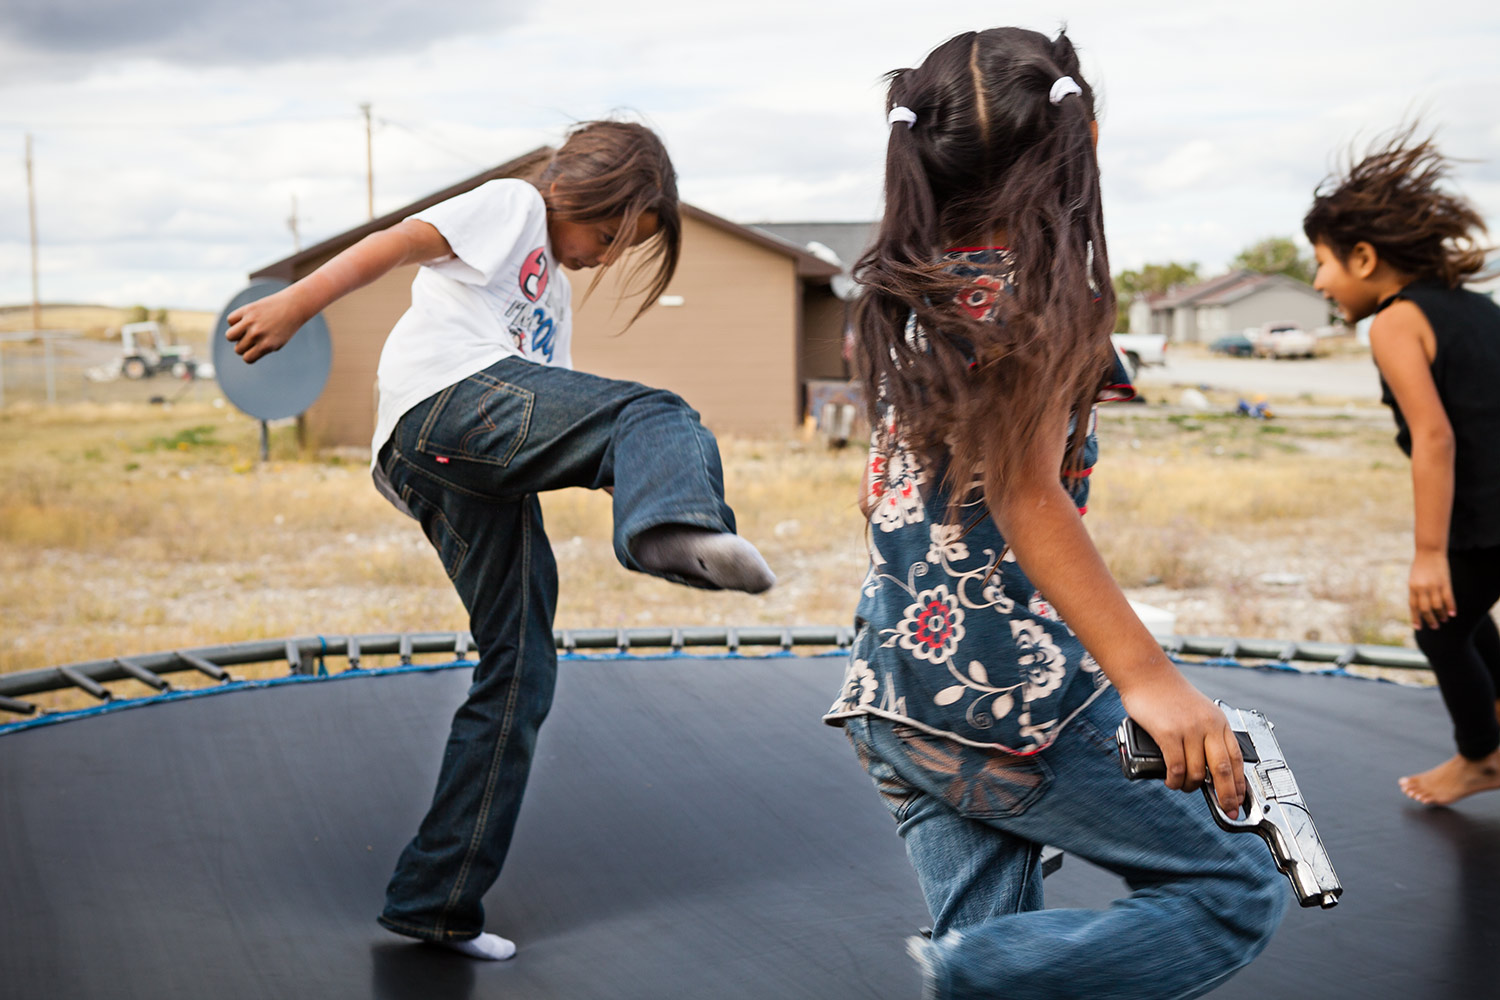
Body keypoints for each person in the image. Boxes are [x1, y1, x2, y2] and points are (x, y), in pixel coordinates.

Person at [226, 119, 774, 960]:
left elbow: (548, 411)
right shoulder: (514, 204)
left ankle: (433, 901)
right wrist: (297, 302)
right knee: (653, 412)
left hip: (459, 461)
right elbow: (396, 243)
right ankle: (671, 528)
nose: (604, 257)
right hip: (446, 402)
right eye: (609, 236)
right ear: (581, 195)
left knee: (521, 666)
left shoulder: (548, 295)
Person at [822, 28, 1287, 999]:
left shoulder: (915, 293)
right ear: (1082, 142)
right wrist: (1151, 680)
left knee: (1005, 941)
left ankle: (972, 965)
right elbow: (1031, 497)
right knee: (1234, 889)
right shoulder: (1036, 295)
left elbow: (893, 497)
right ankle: (969, 973)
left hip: (894, 689)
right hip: (1000, 698)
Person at [1304, 127, 1500, 807]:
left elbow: (1435, 437)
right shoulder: (1478, 309)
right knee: (1470, 618)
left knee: (1439, 625)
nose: (1317, 280)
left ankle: (1482, 756)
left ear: (1362, 257)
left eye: (1322, 262)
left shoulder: (1395, 321)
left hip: (1483, 515)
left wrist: (1427, 554)